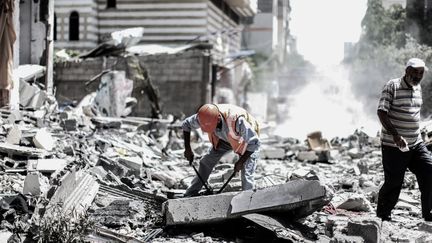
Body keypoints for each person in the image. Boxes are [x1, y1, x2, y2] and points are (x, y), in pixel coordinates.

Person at [376, 57, 432, 221]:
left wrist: (419, 134)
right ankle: (383, 215)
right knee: (394, 181)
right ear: (406, 70)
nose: (417, 76)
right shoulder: (392, 86)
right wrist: (395, 135)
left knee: (429, 171)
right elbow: (381, 112)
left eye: (420, 73)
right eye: (414, 72)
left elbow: (414, 114)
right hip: (394, 145)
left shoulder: (418, 88)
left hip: (416, 143)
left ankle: (428, 212)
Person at [182, 103, 261, 197]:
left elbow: (254, 142)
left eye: (213, 127)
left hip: (245, 141)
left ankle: (248, 201)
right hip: (223, 140)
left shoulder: (236, 120)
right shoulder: (204, 116)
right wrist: (187, 149)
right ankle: (190, 194)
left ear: (218, 118)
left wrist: (241, 161)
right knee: (205, 162)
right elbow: (186, 124)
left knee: (246, 173)